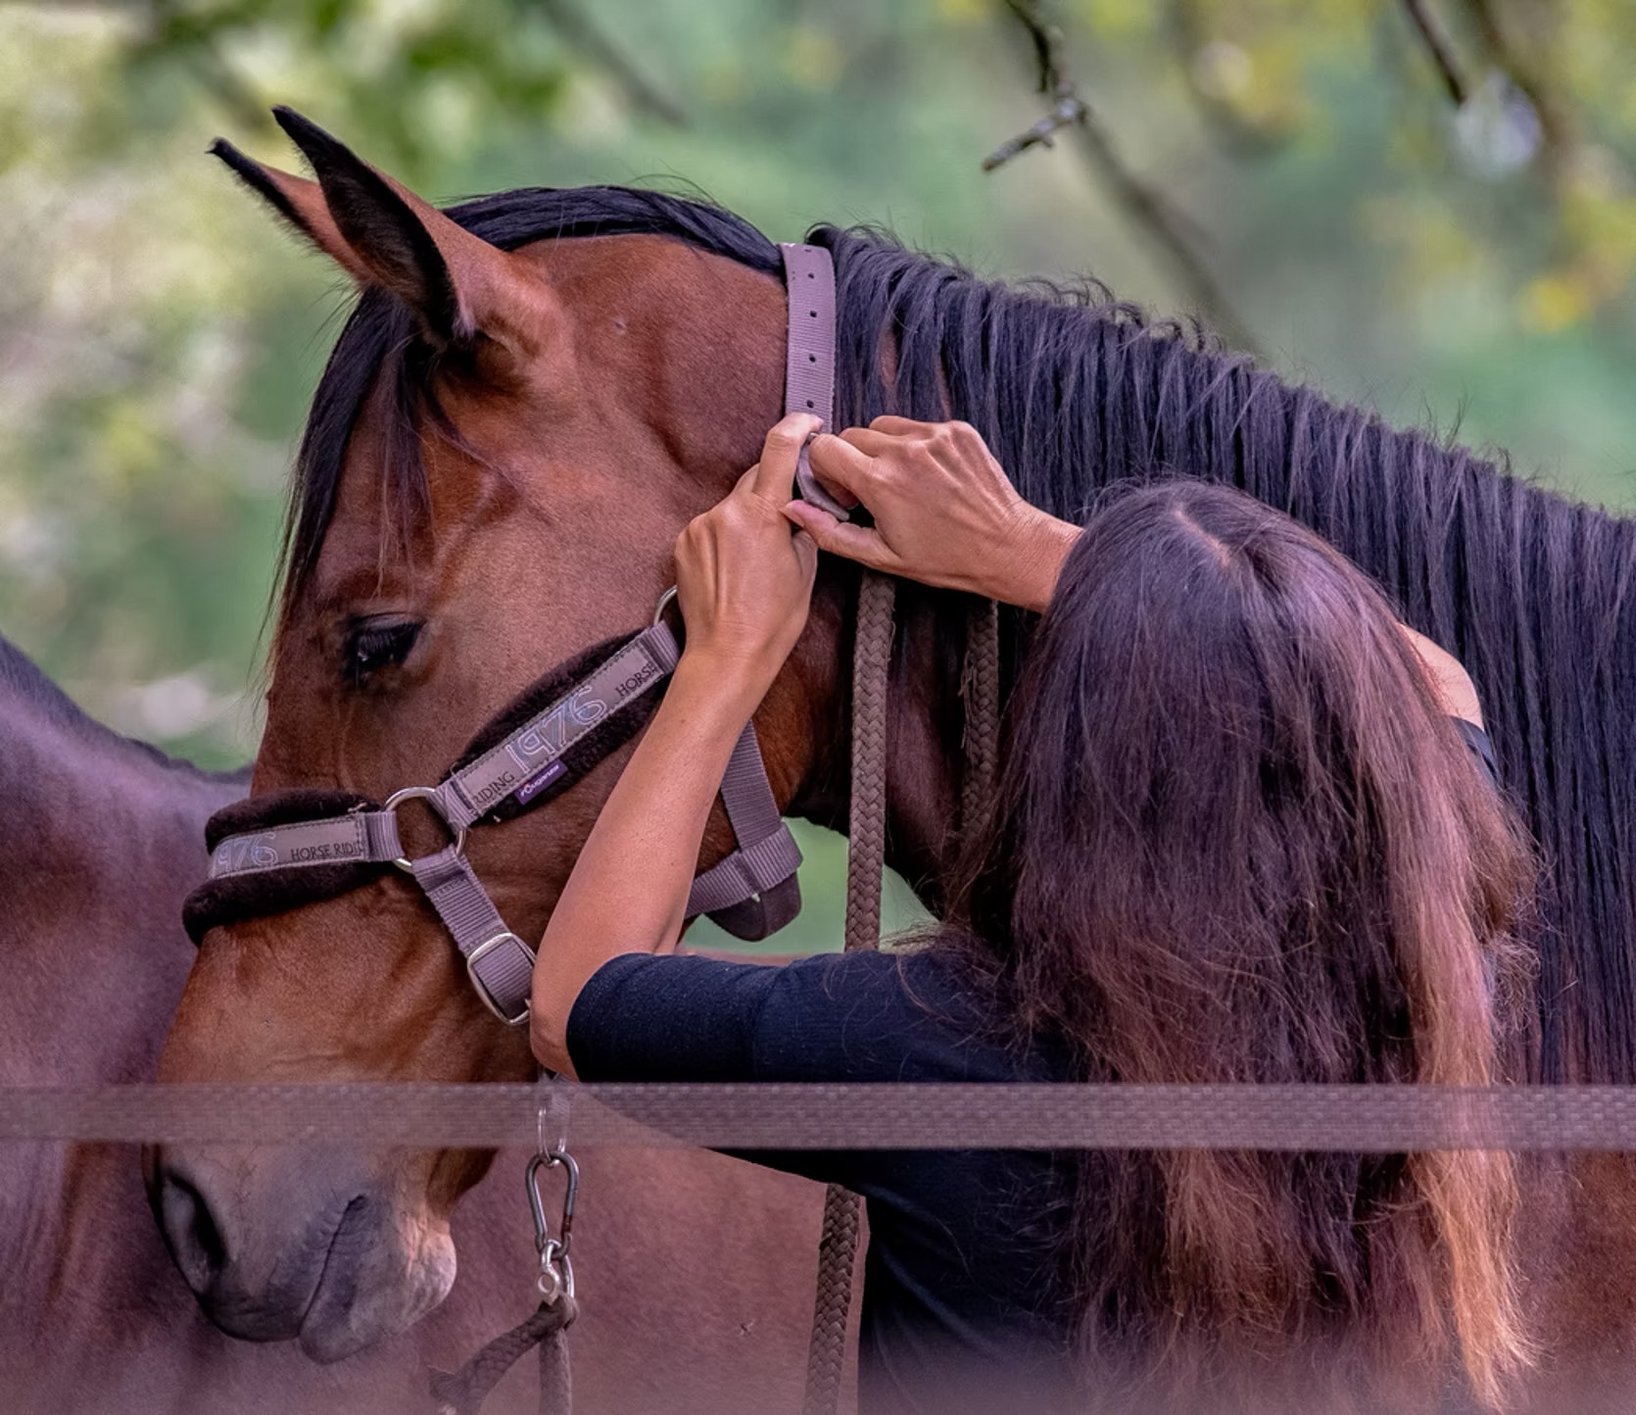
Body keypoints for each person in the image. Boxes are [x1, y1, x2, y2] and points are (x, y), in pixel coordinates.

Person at [528, 413, 1531, 1414]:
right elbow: (1429, 682)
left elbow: (577, 1000)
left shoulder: (941, 1047)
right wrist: (1038, 553)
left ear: (1072, 765)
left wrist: (726, 659)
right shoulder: (1423, 1002)